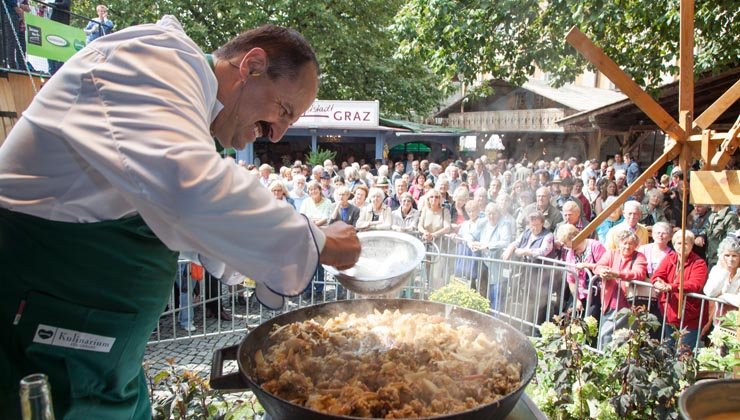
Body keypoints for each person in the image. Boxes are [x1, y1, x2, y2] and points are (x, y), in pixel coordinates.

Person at [0, 18, 361, 419]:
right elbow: (190, 190)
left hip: (107, 365)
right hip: (42, 352)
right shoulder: (150, 59)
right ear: (252, 65)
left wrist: (257, 263)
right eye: (283, 110)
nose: (276, 135)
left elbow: (189, 226)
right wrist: (321, 243)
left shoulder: (189, 110)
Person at [651, 230, 708, 350]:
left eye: (686, 243)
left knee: (684, 352)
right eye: (678, 243)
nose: (682, 246)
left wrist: (671, 286)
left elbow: (695, 284)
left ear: (692, 245)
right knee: (668, 350)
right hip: (670, 312)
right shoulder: (670, 257)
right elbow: (657, 275)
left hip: (690, 315)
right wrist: (657, 283)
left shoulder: (699, 263)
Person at [594, 230, 647, 349]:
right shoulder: (611, 253)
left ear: (635, 245)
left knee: (625, 338)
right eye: (624, 243)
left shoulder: (639, 256)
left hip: (629, 302)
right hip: (610, 300)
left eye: (631, 243)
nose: (627, 246)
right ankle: (603, 360)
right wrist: (602, 271)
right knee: (606, 335)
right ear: (619, 243)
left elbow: (639, 274)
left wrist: (617, 274)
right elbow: (598, 266)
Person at [558, 224, 606, 316]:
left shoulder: (595, 246)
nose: (564, 246)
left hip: (597, 294)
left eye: (565, 242)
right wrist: (577, 300)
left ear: (573, 238)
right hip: (580, 294)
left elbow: (604, 266)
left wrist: (586, 265)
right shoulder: (570, 254)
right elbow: (571, 279)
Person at [703, 237, 740, 316]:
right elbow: (709, 292)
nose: (730, 259)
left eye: (734, 256)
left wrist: (723, 297)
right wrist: (725, 271)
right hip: (718, 320)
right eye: (727, 255)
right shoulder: (717, 270)